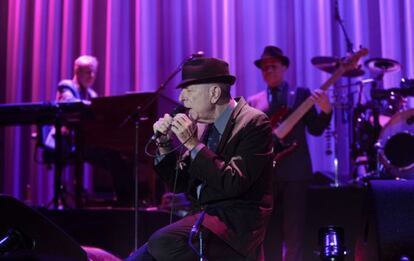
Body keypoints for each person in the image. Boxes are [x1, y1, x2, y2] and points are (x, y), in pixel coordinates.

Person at [126, 57, 274, 261]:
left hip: (234, 225)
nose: (181, 98)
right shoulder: (205, 125)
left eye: (189, 90)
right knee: (138, 258)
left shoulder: (254, 122)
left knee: (162, 242)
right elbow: (179, 183)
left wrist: (193, 144)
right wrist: (164, 144)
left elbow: (234, 182)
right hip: (202, 220)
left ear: (214, 93)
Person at [247, 46, 332, 261]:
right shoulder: (253, 102)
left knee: (295, 233)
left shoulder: (301, 95)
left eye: (273, 66)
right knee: (269, 233)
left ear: (284, 67)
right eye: (264, 68)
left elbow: (315, 129)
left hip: (296, 173)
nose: (268, 71)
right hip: (266, 177)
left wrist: (326, 111)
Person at [43, 55, 133, 206]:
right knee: (112, 157)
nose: (92, 76)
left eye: (93, 73)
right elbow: (70, 103)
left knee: (118, 157)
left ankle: (125, 201)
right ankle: (123, 201)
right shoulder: (66, 85)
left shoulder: (92, 94)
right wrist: (94, 107)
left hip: (83, 142)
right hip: (65, 142)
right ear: (77, 72)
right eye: (88, 72)